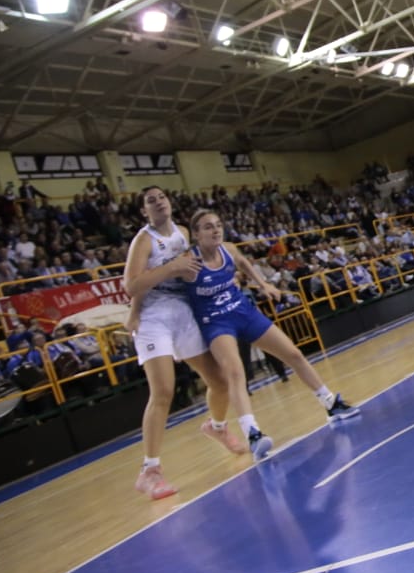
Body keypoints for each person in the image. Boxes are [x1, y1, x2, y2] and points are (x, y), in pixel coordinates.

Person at [183, 209, 360, 461]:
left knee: (293, 353)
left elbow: (243, 262)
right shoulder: (188, 263)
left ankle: (331, 403)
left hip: (243, 311)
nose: (215, 230)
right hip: (216, 322)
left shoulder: (229, 249)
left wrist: (262, 283)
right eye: (208, 227)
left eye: (218, 224)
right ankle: (253, 433)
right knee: (235, 373)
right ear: (196, 234)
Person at [123, 186, 247, 501]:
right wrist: (136, 311)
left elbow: (200, 264)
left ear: (170, 201)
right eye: (150, 200)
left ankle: (217, 426)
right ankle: (149, 471)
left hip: (183, 311)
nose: (158, 201)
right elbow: (131, 285)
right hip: (154, 317)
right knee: (163, 390)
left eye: (161, 196)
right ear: (144, 211)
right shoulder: (144, 239)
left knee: (219, 382)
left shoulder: (181, 232)